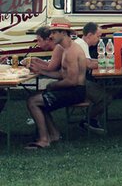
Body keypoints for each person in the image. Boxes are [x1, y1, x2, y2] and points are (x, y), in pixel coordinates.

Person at [25, 19, 87, 150]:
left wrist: (52, 86)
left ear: (63, 33)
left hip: (76, 92)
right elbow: (61, 75)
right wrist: (41, 71)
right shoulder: (64, 48)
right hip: (72, 89)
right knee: (38, 100)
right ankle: (54, 135)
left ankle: (44, 140)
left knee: (33, 101)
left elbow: (72, 81)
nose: (51, 36)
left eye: (54, 32)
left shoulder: (71, 52)